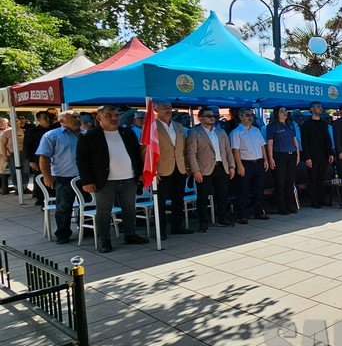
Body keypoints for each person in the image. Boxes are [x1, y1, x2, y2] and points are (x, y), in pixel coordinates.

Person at [76, 105, 148, 252]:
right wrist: (87, 181)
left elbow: (136, 153)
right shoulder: (89, 135)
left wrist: (140, 172)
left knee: (129, 208)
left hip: (129, 178)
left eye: (116, 115)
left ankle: (130, 234)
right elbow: (82, 160)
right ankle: (104, 240)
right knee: (104, 211)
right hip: (105, 181)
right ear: (99, 118)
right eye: (108, 116)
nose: (114, 118)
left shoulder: (127, 132)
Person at [186, 106, 236, 231]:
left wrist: (231, 166)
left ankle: (223, 218)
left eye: (213, 116)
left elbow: (228, 150)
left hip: (221, 167)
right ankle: (203, 222)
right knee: (202, 197)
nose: (212, 118)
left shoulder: (221, 132)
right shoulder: (194, 132)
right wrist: (196, 171)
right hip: (204, 169)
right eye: (209, 116)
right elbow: (191, 153)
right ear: (201, 118)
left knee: (222, 195)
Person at [36, 110, 81, 244]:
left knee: (88, 205)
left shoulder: (85, 133)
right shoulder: (52, 135)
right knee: (63, 207)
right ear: (62, 121)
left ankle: (87, 230)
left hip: (84, 177)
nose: (77, 120)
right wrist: (47, 176)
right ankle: (62, 234)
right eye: (73, 118)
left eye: (78, 117)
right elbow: (44, 157)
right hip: (63, 177)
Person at [152, 100, 193, 238]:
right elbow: (147, 152)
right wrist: (153, 170)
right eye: (164, 107)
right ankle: (161, 230)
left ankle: (177, 226)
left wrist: (187, 166)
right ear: (156, 109)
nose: (168, 110)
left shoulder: (178, 126)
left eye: (169, 107)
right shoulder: (151, 127)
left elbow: (184, 148)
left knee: (178, 199)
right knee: (160, 202)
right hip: (161, 169)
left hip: (179, 168)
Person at [230, 108, 270, 224]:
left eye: (251, 115)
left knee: (259, 188)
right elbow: (235, 150)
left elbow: (262, 146)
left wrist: (266, 160)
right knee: (243, 190)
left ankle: (259, 212)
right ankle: (242, 215)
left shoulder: (256, 130)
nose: (250, 117)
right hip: (245, 163)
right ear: (240, 116)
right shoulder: (236, 132)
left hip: (258, 162)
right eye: (247, 115)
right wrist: (239, 165)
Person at [266, 106, 300, 215]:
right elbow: (270, 144)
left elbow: (295, 140)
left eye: (285, 111)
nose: (284, 113)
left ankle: (289, 204)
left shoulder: (290, 124)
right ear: (276, 113)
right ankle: (281, 206)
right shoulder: (272, 126)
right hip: (279, 155)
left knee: (290, 181)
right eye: (281, 111)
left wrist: (297, 153)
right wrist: (271, 158)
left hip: (291, 154)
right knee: (280, 182)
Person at [300, 101, 334, 208]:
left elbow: (327, 139)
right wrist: (307, 157)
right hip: (312, 155)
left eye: (321, 106)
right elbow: (305, 143)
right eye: (318, 107)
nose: (320, 108)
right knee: (313, 178)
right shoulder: (306, 125)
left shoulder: (324, 123)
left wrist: (330, 153)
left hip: (323, 154)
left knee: (321, 177)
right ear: (312, 109)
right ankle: (313, 200)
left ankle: (321, 198)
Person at [24, 111, 55, 206]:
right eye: (45, 118)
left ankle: (53, 196)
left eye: (49, 118)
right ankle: (41, 199)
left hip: (54, 159)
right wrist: (31, 160)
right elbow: (27, 147)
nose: (48, 120)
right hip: (38, 159)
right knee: (41, 178)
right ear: (38, 119)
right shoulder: (32, 131)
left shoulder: (54, 130)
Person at [0, 118, 8, 195]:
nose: (1, 123)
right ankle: (3, 188)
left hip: (10, 153)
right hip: (0, 155)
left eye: (2, 122)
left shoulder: (11, 130)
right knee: (1, 171)